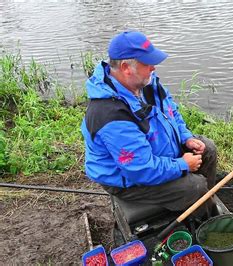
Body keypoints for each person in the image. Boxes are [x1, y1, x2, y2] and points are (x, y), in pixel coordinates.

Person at [80, 31, 217, 218]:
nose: (153, 67)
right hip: (128, 179)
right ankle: (202, 217)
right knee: (195, 187)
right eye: (147, 63)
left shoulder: (145, 84)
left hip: (151, 155)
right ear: (126, 67)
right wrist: (182, 165)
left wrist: (186, 137)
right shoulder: (111, 116)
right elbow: (140, 169)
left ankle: (203, 204)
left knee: (207, 149)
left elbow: (171, 112)